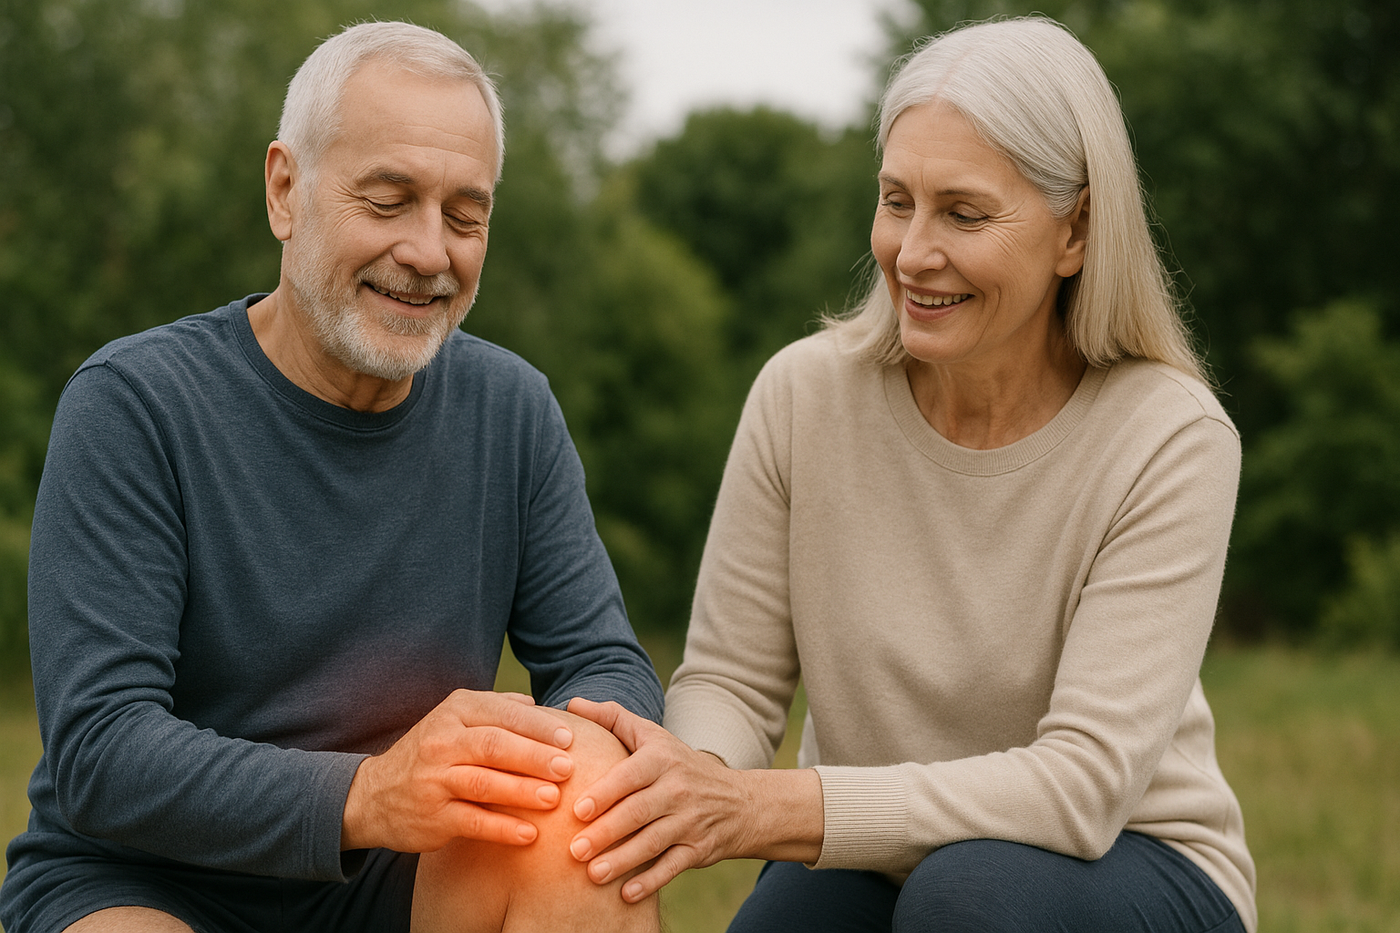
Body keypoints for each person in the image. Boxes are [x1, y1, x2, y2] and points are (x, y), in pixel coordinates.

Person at [562, 16, 1257, 933]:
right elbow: (731, 681)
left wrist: (766, 808)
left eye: (964, 213)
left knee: (965, 896)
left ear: (1077, 231)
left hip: (1133, 856)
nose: (913, 252)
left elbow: (1082, 786)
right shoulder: (802, 395)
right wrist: (687, 776)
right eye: (897, 202)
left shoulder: (1170, 436)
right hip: (880, 852)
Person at [1, 21, 663, 933]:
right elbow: (103, 749)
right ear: (286, 190)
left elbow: (601, 659)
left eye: (464, 216)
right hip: (150, 882)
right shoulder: (135, 403)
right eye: (388, 201)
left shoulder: (512, 407)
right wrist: (368, 792)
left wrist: (580, 745)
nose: (429, 252)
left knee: (585, 820)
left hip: (406, 878)